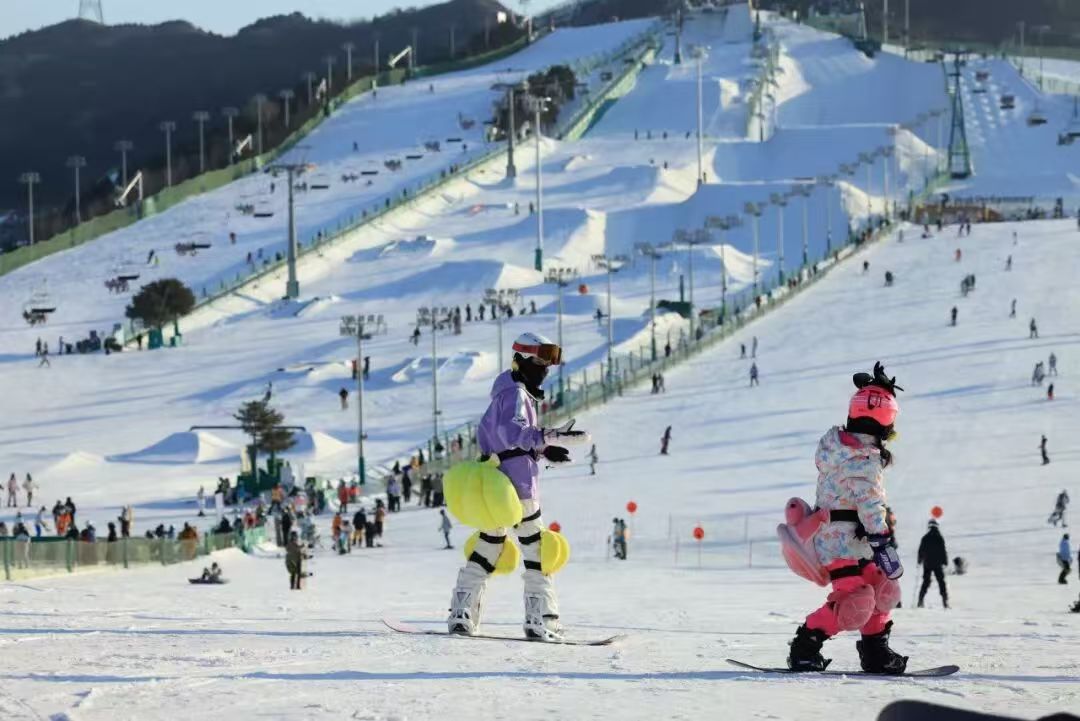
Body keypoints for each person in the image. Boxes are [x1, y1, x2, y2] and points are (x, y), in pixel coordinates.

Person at [447, 331, 590, 642]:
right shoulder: (516, 394)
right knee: (536, 547)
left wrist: (542, 450)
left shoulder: (505, 392)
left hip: (494, 483)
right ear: (522, 360)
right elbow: (515, 432)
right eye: (540, 361)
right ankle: (542, 619)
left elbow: (505, 440)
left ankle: (462, 611)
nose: (545, 369)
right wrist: (550, 437)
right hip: (518, 486)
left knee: (489, 546)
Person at [786, 362, 907, 674]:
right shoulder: (862, 458)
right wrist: (881, 537)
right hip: (839, 543)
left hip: (852, 540)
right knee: (855, 599)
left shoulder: (842, 448)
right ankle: (804, 647)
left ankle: (875, 652)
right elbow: (869, 500)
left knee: (882, 589)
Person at [917, 519, 949, 608]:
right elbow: (943, 551)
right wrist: (945, 561)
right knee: (941, 582)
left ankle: (920, 600)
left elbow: (921, 550)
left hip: (927, 563)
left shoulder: (925, 537)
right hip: (937, 563)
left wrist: (919, 560)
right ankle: (945, 602)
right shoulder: (939, 537)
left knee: (926, 582)